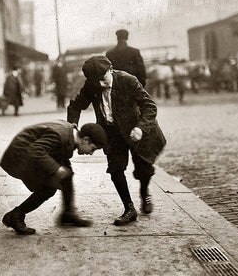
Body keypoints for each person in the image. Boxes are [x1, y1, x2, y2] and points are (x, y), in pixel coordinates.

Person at [67, 56, 166, 226]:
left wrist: (141, 128)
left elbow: (149, 106)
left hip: (136, 129)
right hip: (112, 133)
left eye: (103, 78)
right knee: (115, 169)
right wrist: (73, 126)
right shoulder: (92, 84)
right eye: (96, 81)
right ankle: (129, 208)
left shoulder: (128, 80)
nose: (101, 84)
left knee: (144, 168)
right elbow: (75, 105)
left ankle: (144, 192)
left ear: (110, 69)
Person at [0, 121, 108, 235]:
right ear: (85, 140)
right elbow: (36, 150)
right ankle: (15, 215)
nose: (91, 153)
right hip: (20, 156)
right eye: (93, 149)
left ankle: (68, 214)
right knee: (49, 187)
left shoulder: (70, 135)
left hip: (30, 151)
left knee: (66, 174)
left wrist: (60, 168)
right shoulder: (59, 136)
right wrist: (56, 168)